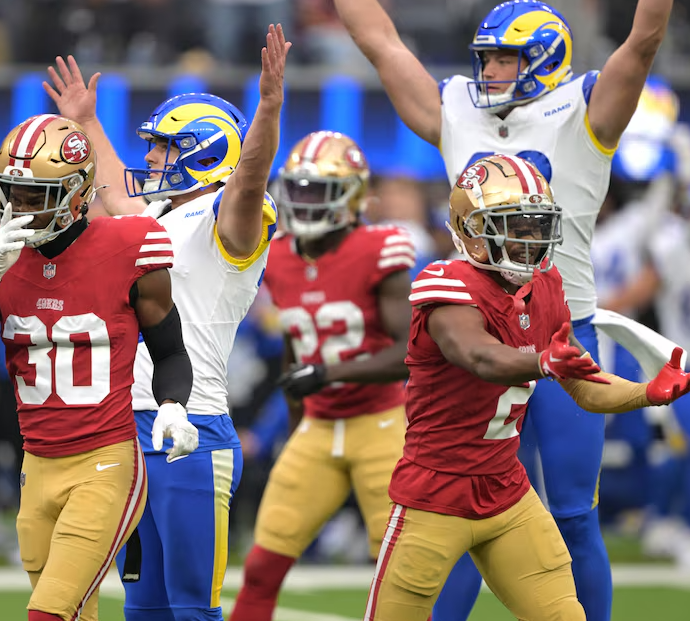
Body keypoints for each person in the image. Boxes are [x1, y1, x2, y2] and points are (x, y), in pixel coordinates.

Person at [333, 1, 673, 619]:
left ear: (546, 59)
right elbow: (380, 41)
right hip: (473, 327)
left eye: (505, 57)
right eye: (485, 57)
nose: (489, 70)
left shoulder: (584, 106)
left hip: (562, 322)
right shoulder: (458, 105)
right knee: (456, 510)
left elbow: (644, 38)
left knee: (572, 513)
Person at [363, 153, 690, 621]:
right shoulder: (447, 281)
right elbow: (479, 355)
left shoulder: (546, 285)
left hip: (507, 492)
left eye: (535, 226)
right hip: (434, 496)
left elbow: (583, 383)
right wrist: (541, 361)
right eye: (511, 225)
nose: (527, 240)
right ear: (470, 230)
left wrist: (648, 390)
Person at [41, 24, 290, 621]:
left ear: (204, 151)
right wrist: (85, 122)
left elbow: (249, 176)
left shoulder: (231, 215)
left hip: (193, 431)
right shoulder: (159, 210)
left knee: (191, 607)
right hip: (128, 429)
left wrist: (269, 111)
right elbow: (115, 196)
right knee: (143, 604)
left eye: (162, 147)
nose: (150, 157)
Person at [0, 114, 197, 621]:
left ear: (77, 194)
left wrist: (171, 405)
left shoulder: (130, 246)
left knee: (48, 612)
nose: (19, 209)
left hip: (105, 464)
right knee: (76, 613)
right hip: (36, 465)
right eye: (11, 193)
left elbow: (170, 351)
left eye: (35, 197)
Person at [228, 131, 415, 620]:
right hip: (318, 426)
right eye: (298, 189)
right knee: (262, 566)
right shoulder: (282, 255)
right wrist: (294, 427)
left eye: (317, 190)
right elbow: (295, 350)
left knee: (399, 577)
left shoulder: (381, 247)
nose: (303, 202)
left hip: (381, 425)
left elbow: (410, 351)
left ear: (351, 195)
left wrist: (327, 372)